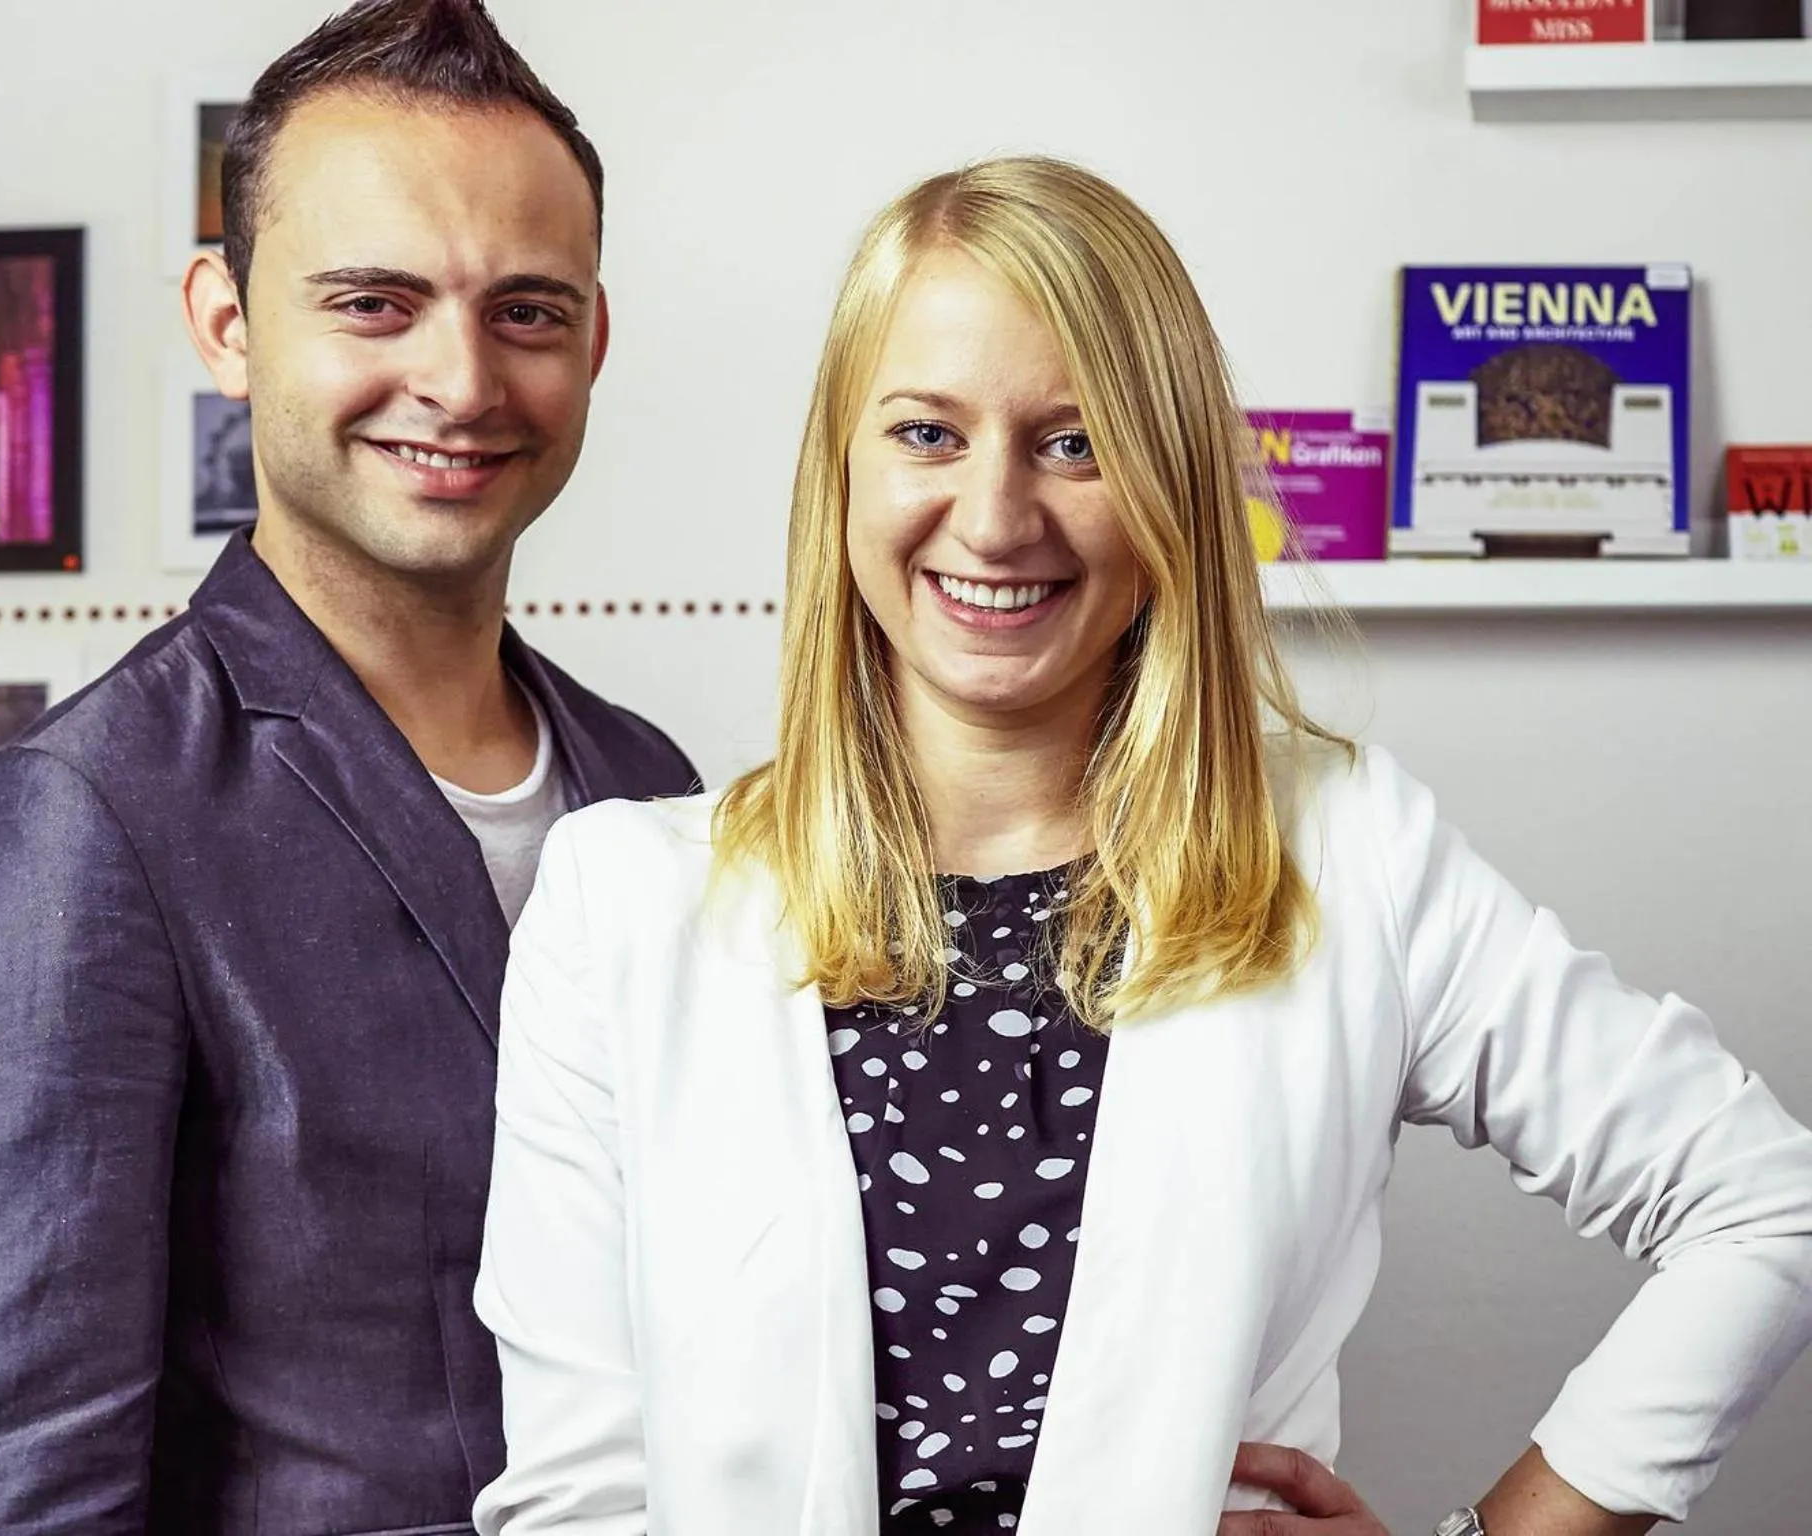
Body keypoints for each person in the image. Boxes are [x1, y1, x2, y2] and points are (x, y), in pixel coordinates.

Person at [470, 156, 1812, 1536]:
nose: (994, 519)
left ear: (1170, 484)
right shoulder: (620, 902)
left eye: (1076, 443)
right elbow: (580, 1500)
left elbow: (1767, 1204)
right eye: (928, 433)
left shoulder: (1348, 853)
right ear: (841, 470)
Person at [0, 1, 696, 1529]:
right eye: (375, 303)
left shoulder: (654, 786)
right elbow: (5, 1505)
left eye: (528, 309)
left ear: (594, 333)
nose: (460, 381)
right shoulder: (77, 820)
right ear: (229, 323)